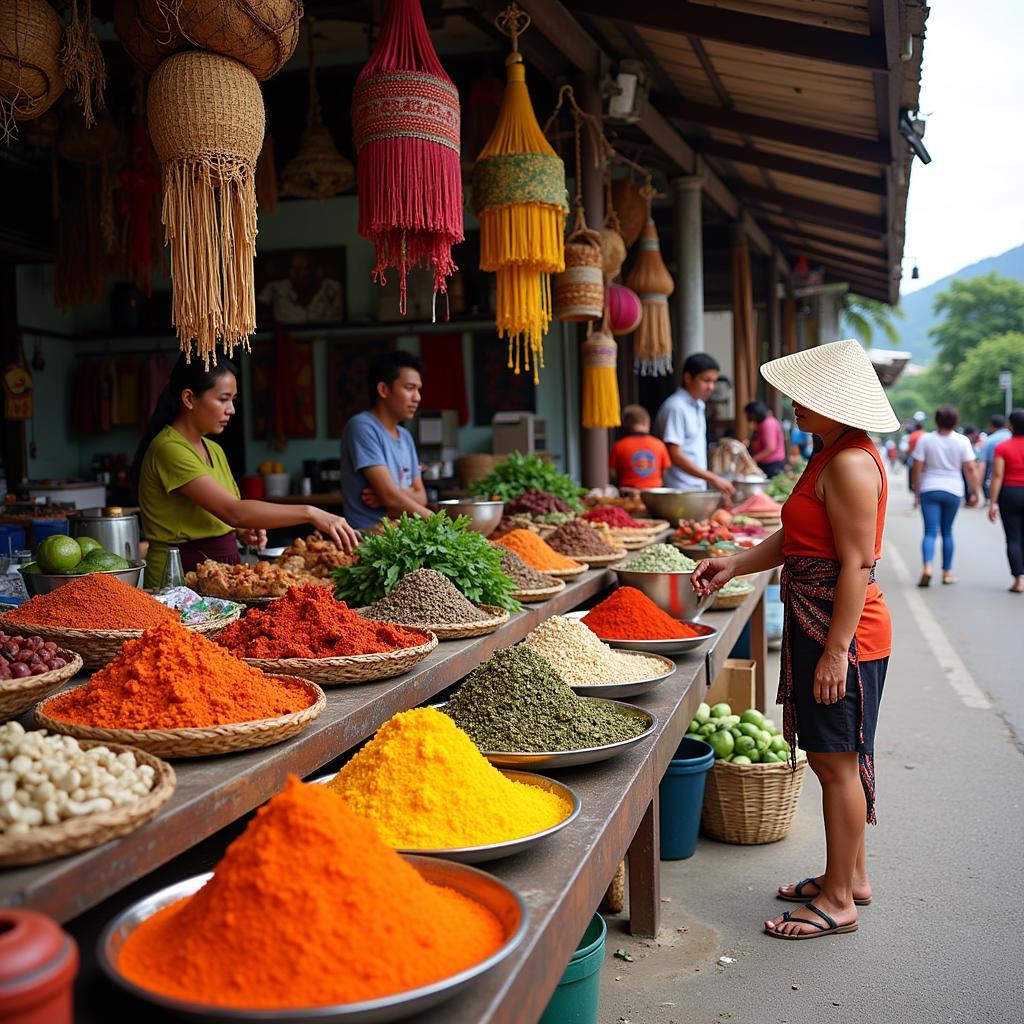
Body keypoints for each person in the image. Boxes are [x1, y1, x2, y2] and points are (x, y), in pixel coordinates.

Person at [692, 339, 896, 941]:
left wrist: (836, 651)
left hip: (844, 631)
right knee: (842, 758)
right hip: (820, 621)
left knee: (836, 763)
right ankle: (849, 877)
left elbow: (856, 565)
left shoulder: (852, 464)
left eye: (806, 398)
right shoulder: (826, 454)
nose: (792, 406)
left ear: (839, 404)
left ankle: (838, 900)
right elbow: (798, 539)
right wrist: (736, 562)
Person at [134, 355, 358, 590]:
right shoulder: (168, 449)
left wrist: (241, 531)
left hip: (222, 573)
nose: (231, 410)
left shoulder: (214, 449)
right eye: (223, 399)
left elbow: (227, 513)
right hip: (178, 577)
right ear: (189, 398)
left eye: (233, 400)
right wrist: (311, 513)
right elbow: (233, 511)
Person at [341, 351, 432, 529]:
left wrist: (394, 495)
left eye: (418, 389)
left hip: (401, 537)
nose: (417, 397)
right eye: (409, 388)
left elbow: (422, 497)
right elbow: (391, 498)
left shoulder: (405, 436)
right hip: (368, 540)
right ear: (383, 389)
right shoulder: (362, 426)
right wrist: (437, 521)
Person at [910, 405, 981, 587]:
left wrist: (917, 490)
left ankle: (927, 568)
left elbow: (917, 467)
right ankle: (947, 572)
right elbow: (970, 468)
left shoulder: (926, 439)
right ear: (956, 421)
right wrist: (975, 492)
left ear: (936, 420)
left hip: (929, 488)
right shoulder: (962, 441)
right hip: (953, 490)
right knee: (947, 532)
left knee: (930, 532)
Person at [654, 353, 735, 498]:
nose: (711, 387)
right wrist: (712, 478)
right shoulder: (675, 407)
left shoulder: (698, 405)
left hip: (697, 488)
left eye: (714, 381)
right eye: (706, 380)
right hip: (678, 489)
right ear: (688, 378)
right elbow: (675, 455)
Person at [987, 408, 1024, 594]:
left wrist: (992, 502)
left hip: (1010, 494)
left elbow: (998, 475)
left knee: (1014, 538)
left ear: (1010, 425)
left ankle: (1019, 580)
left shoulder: (1002, 447)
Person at [609, 405, 672, 491]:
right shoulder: (659, 444)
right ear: (647, 422)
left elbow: (612, 473)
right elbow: (665, 471)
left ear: (626, 424)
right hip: (654, 493)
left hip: (627, 494)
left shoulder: (619, 445)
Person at [745, 401, 787, 478]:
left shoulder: (768, 424)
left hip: (772, 465)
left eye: (748, 415)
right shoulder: (762, 423)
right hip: (768, 464)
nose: (748, 418)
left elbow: (770, 448)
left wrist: (752, 460)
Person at [981, 414, 1011, 499]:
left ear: (991, 425)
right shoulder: (1012, 437)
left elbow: (982, 464)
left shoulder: (990, 440)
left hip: (993, 474)